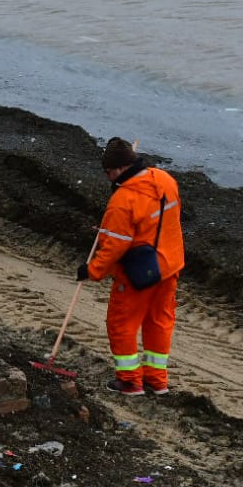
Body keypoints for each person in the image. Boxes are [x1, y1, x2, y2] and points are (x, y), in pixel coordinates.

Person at [77, 137, 185, 396]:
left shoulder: (122, 200)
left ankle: (130, 381)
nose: (107, 177)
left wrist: (91, 270)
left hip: (138, 274)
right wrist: (113, 229)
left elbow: (114, 247)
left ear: (119, 169)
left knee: (121, 324)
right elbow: (154, 221)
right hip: (169, 266)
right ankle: (156, 381)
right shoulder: (165, 180)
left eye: (108, 172)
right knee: (159, 323)